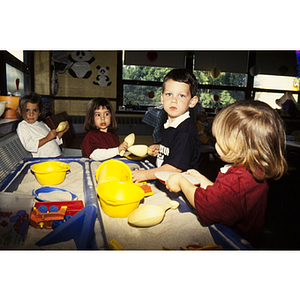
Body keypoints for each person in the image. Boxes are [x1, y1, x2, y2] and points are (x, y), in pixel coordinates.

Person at [165, 100, 288, 247]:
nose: (216, 143)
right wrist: (201, 179)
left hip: (233, 242)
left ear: (240, 146)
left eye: (220, 140)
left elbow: (207, 207)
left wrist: (181, 182)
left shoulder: (238, 180)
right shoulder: (252, 170)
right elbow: (226, 198)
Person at [132, 68, 202, 183]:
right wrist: (161, 148)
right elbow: (177, 147)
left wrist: (144, 174)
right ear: (162, 98)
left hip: (180, 190)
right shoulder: (172, 123)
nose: (174, 100)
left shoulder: (186, 132)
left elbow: (174, 168)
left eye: (181, 96)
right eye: (169, 94)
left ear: (192, 102)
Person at [16, 92, 70, 157]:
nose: (31, 114)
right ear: (20, 111)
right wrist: (47, 138)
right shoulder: (23, 126)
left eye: (35, 110)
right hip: (44, 161)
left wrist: (61, 133)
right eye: (27, 110)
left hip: (57, 156)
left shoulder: (42, 124)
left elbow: (53, 142)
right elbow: (29, 146)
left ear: (39, 112)